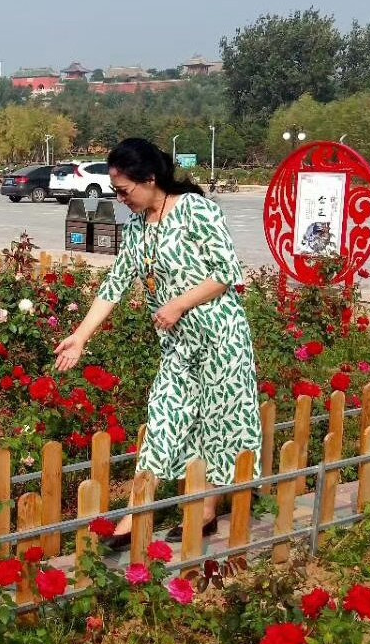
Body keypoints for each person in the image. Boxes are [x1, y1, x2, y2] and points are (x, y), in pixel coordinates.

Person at [54, 138, 261, 543]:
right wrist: (80, 337)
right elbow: (115, 285)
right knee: (164, 417)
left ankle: (205, 511)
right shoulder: (136, 230)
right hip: (179, 346)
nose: (120, 199)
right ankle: (134, 516)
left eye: (124, 190)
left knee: (217, 425)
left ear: (150, 179)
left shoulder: (197, 211)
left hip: (221, 338)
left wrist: (179, 304)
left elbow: (226, 272)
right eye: (116, 191)